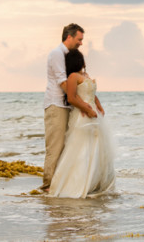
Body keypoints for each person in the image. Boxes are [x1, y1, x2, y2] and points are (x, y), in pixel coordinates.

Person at [47, 48, 117, 198]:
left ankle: (94, 181)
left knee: (95, 147)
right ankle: (78, 182)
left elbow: (92, 93)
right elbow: (72, 97)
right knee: (81, 148)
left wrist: (98, 106)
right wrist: (87, 108)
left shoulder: (85, 75)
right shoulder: (72, 76)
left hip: (93, 113)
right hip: (83, 114)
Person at [42, 23, 85, 192]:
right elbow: (62, 82)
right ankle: (48, 186)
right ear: (69, 37)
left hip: (66, 105)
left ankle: (59, 185)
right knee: (55, 146)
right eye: (79, 39)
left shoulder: (70, 56)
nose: (81, 43)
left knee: (67, 147)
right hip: (56, 104)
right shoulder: (56, 54)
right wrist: (78, 102)